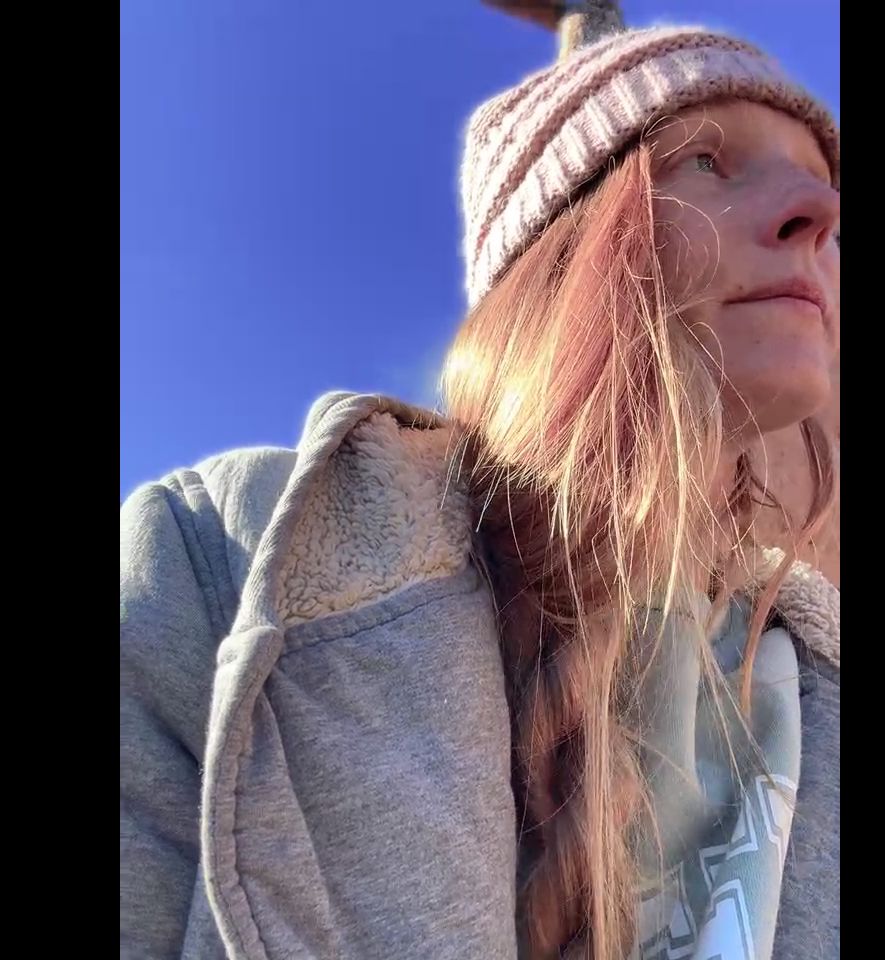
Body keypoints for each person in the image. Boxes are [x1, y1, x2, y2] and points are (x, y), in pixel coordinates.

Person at [120, 2, 840, 958]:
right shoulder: (221, 559)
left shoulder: (809, 683)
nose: (817, 209)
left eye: (819, 178)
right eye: (705, 160)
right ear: (560, 254)